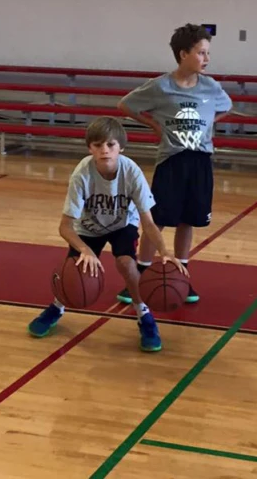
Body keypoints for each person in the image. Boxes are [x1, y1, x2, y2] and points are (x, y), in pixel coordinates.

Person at [27, 117, 187, 352]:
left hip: (123, 224)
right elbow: (65, 227)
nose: (104, 150)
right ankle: (57, 306)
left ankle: (144, 314)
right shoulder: (82, 174)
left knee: (127, 264)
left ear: (121, 146)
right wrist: (85, 249)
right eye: (98, 145)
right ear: (89, 147)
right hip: (88, 228)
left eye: (110, 145)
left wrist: (164, 251)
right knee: (77, 271)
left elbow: (149, 223)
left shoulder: (131, 172)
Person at [117, 23, 232, 304]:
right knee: (158, 219)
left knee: (188, 220)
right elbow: (125, 105)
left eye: (208, 53)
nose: (207, 58)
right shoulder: (160, 87)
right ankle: (141, 273)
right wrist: (154, 126)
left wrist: (208, 129)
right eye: (201, 53)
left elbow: (226, 107)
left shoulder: (211, 86)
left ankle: (182, 273)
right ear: (183, 54)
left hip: (200, 162)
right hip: (172, 161)